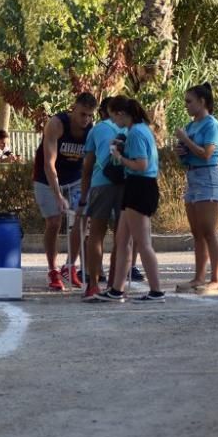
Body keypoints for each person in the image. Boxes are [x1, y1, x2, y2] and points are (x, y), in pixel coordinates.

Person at [96, 97, 165, 303]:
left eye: (112, 114)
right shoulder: (140, 130)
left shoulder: (135, 132)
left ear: (120, 113)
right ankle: (117, 289)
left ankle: (156, 290)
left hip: (140, 186)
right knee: (122, 240)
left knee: (143, 243)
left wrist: (119, 157)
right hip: (136, 186)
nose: (111, 119)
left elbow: (141, 164)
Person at [33, 92, 97, 290]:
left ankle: (69, 266)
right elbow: (48, 163)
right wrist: (58, 195)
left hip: (75, 179)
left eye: (89, 115)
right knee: (54, 222)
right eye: (82, 114)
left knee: (82, 221)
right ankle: (52, 270)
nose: (85, 119)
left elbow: (89, 164)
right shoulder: (56, 124)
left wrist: (87, 192)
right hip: (47, 179)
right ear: (73, 109)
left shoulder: (90, 131)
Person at [175, 82, 218, 294]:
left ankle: (217, 279)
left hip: (208, 176)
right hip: (193, 176)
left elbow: (206, 153)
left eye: (189, 101)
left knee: (209, 230)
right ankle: (198, 277)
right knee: (196, 232)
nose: (186, 106)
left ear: (202, 102)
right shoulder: (191, 125)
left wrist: (185, 140)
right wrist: (180, 151)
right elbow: (189, 154)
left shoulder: (211, 124)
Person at [79, 98, 125, 301]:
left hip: (101, 183)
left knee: (96, 234)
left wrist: (83, 196)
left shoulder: (96, 130)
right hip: (125, 183)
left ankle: (93, 284)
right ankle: (115, 286)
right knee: (121, 237)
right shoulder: (129, 127)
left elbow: (87, 166)